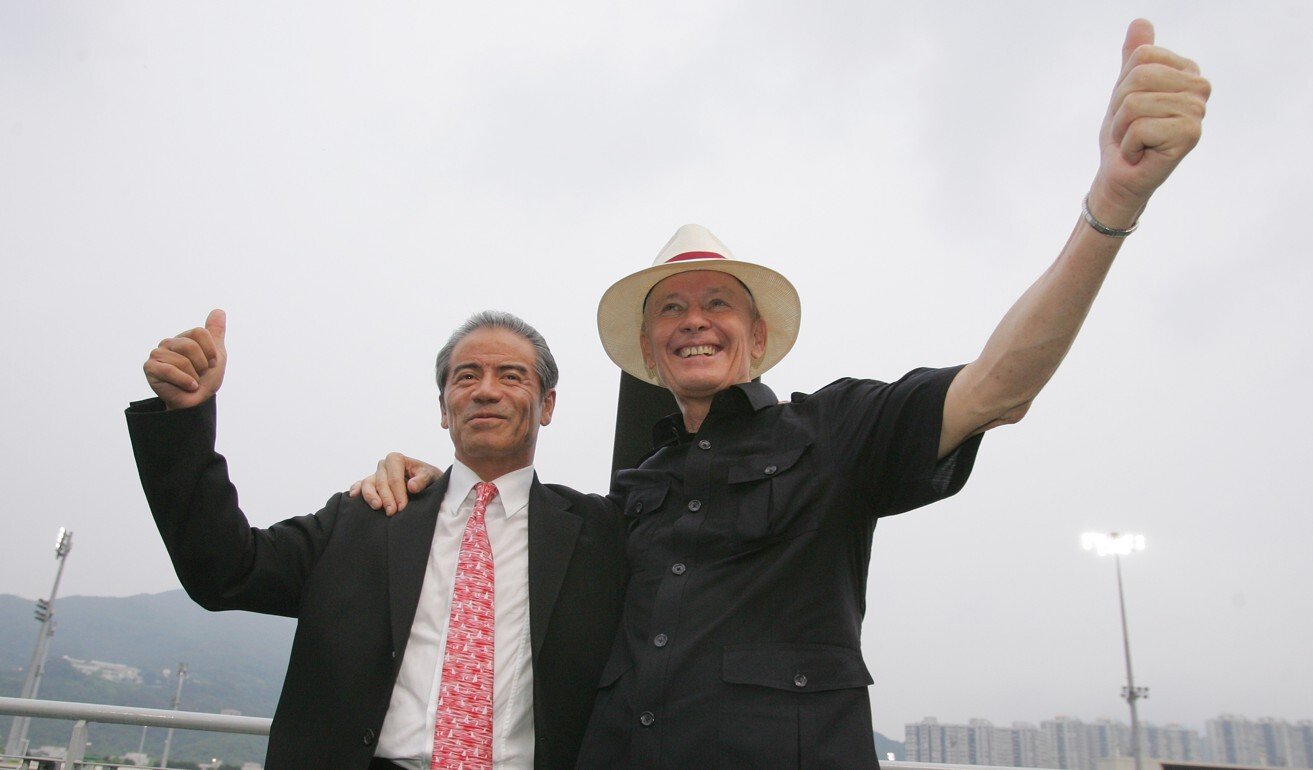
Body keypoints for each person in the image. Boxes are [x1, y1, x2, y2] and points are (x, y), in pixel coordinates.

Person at [355, 19, 1209, 768]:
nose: (696, 321)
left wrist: (1110, 205)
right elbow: (506, 545)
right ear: (650, 353)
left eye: (718, 302)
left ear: (757, 339)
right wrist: (429, 484)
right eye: (672, 311)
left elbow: (1000, 387)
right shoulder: (629, 497)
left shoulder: (837, 431)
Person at [128, 309, 627, 770]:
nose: (485, 391)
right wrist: (185, 417)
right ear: (443, 407)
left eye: (512, 376)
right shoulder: (367, 516)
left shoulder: (602, 534)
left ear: (548, 406)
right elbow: (225, 572)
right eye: (467, 375)